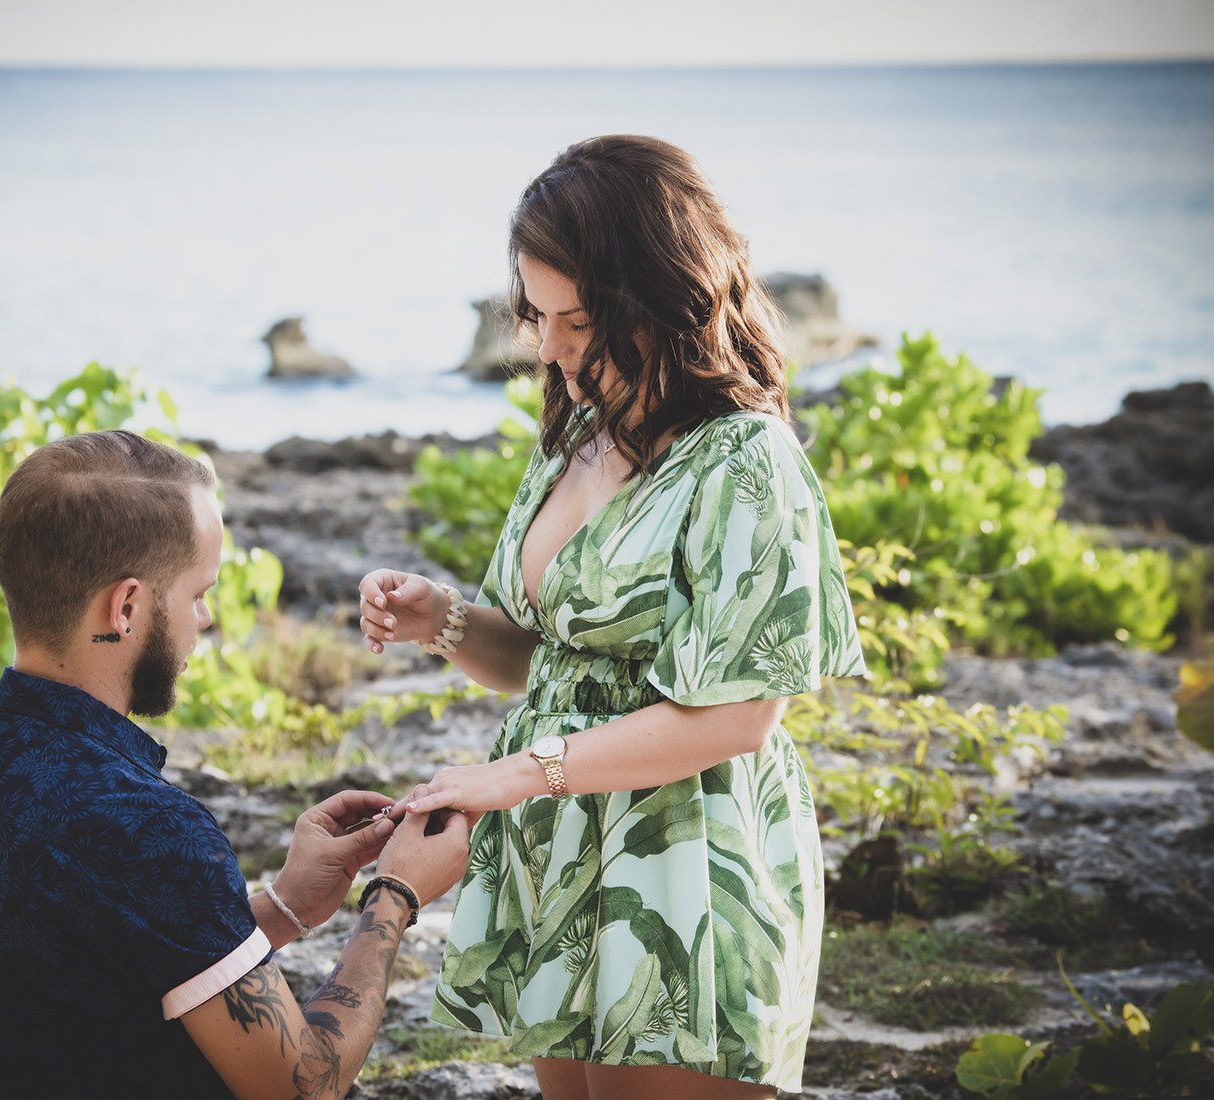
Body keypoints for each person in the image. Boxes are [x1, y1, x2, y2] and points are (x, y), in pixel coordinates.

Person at [357, 135, 866, 1100]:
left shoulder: (744, 461)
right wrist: (448, 621)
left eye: (578, 320)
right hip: (562, 847)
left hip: (687, 864)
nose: (549, 348)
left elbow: (738, 717)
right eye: (537, 315)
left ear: (663, 299)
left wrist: (513, 775)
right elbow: (544, 665)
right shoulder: (579, 437)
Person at [0, 429, 469, 1099]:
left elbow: (87, 960)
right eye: (196, 594)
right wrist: (394, 898)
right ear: (125, 608)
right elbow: (304, 1085)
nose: (207, 620)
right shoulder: (149, 832)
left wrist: (282, 907)